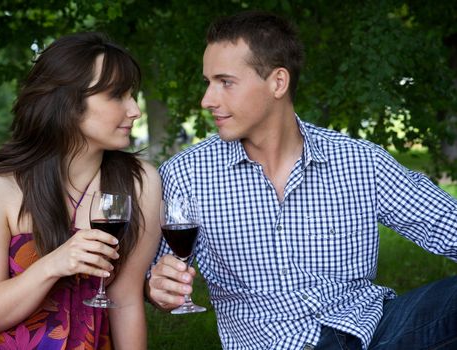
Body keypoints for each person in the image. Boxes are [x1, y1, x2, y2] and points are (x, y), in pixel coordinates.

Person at [146, 11, 457, 350]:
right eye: (208, 82)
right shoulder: (186, 174)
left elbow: (447, 224)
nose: (207, 100)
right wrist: (158, 288)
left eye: (225, 82)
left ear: (278, 82)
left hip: (375, 334)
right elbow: (156, 281)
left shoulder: (360, 162)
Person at [0, 32, 162, 349]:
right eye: (117, 95)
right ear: (67, 102)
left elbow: (124, 300)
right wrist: (54, 264)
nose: (135, 109)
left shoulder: (141, 183)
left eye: (132, 95)